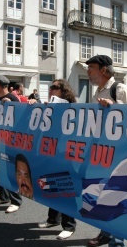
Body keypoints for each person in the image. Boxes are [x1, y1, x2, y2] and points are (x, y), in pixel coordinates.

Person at [85, 55, 127, 247]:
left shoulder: (120, 89)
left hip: (119, 155)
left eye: (91, 67)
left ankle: (117, 242)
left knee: (115, 197)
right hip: (102, 153)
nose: (88, 71)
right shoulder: (98, 90)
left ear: (104, 70)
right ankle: (105, 234)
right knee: (101, 195)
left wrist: (114, 108)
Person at [30, 79, 77, 240]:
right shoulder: (49, 106)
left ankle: (69, 225)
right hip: (51, 151)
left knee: (65, 189)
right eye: (50, 87)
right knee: (51, 186)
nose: (51, 90)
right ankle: (53, 219)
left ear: (64, 91)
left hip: (65, 154)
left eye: (55, 87)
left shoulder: (71, 107)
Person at [0, 74, 22, 213]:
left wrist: (11, 105)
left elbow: (19, 119)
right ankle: (3, 196)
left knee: (9, 171)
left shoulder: (12, 99)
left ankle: (16, 201)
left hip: (9, 143)